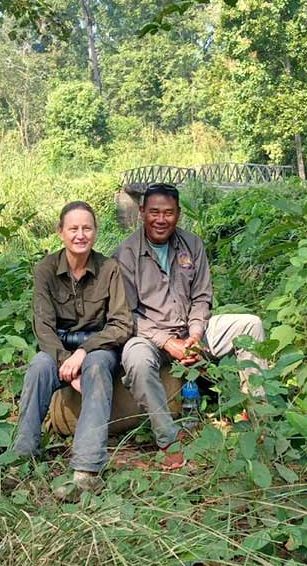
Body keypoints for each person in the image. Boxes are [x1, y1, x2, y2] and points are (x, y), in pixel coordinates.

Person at [114, 183, 266, 470]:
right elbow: (127, 315)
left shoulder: (191, 244)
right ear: (142, 212)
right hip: (150, 337)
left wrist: (195, 334)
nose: (161, 219)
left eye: (168, 212)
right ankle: (168, 438)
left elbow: (202, 297)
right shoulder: (125, 254)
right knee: (134, 357)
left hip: (192, 329)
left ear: (178, 214)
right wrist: (166, 341)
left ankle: (257, 417)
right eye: (154, 212)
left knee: (251, 325)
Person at [12, 201, 133, 496]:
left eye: (87, 228)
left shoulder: (109, 269)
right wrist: (65, 360)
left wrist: (82, 354)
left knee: (97, 366)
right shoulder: (46, 270)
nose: (81, 235)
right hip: (59, 347)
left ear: (95, 231)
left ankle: (86, 470)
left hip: (99, 346)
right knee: (39, 367)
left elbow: (121, 324)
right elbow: (43, 328)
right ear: (61, 233)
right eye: (73, 228)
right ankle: (22, 458)